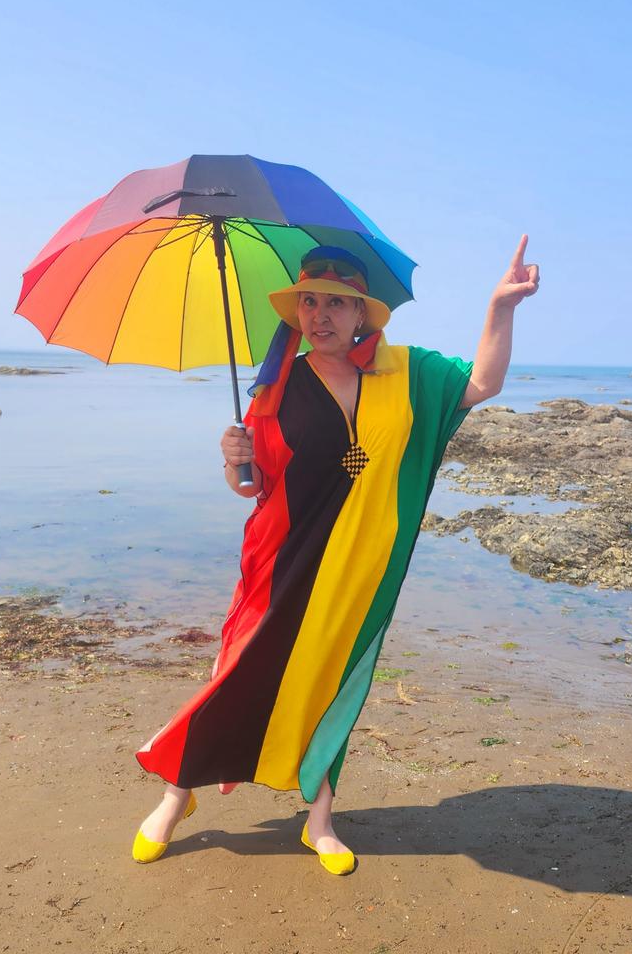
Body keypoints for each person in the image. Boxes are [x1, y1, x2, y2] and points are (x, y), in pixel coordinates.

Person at [132, 237, 540, 874]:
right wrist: (233, 461)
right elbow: (253, 488)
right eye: (309, 302)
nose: (319, 315)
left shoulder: (408, 372)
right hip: (282, 560)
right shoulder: (276, 385)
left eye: (336, 303)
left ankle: (319, 820)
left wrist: (501, 307)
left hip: (358, 565)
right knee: (237, 670)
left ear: (361, 314)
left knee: (334, 681)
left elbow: (482, 383)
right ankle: (176, 795)